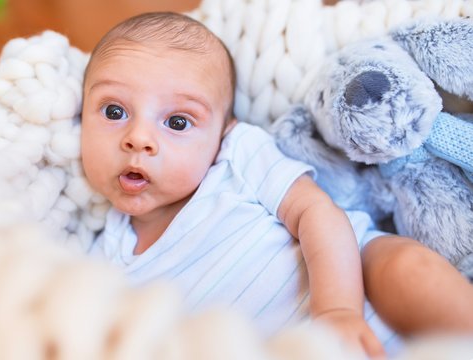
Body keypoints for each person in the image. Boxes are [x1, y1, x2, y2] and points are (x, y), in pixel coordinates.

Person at [81, 11, 473, 358]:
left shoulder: (236, 157)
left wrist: (337, 310)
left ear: (222, 132)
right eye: (114, 111)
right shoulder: (101, 262)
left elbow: (315, 213)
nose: (138, 138)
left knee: (409, 268)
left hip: (357, 289)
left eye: (178, 122)